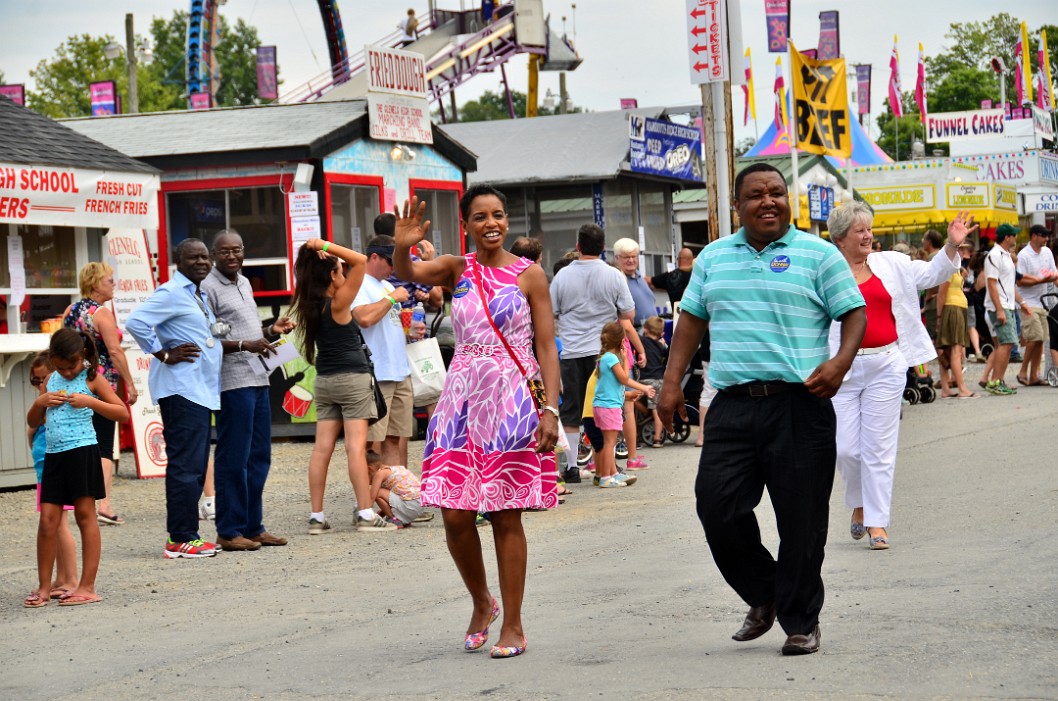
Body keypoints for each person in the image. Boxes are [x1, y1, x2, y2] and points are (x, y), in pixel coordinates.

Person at [657, 162, 867, 656]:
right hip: (731, 405)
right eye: (756, 195)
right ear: (737, 205)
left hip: (801, 404)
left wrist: (839, 363)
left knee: (801, 520)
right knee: (717, 506)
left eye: (776, 192)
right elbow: (690, 321)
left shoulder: (818, 255)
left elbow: (854, 312)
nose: (768, 201)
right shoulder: (712, 258)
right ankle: (765, 592)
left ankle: (800, 621)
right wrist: (670, 385)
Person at [392, 184, 560, 659]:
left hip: (512, 400)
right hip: (460, 400)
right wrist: (403, 244)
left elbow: (547, 346)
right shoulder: (457, 267)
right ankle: (481, 601)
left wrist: (550, 409)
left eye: (499, 215)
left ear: (507, 222)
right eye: (481, 216)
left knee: (506, 514)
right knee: (455, 515)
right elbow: (409, 272)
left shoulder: (530, 275)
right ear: (466, 224)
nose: (492, 223)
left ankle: (515, 624)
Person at [827, 202, 967, 552]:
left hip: (885, 366)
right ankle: (858, 501)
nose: (868, 235)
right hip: (840, 370)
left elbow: (934, 273)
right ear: (841, 238)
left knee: (878, 449)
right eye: (860, 230)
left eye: (869, 229)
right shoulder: (824, 272)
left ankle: (877, 521)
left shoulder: (891, 263)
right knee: (846, 449)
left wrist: (951, 245)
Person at [289, 237, 397, 533]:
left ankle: (317, 516)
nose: (343, 274)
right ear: (333, 276)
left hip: (324, 380)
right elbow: (361, 261)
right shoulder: (338, 303)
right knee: (354, 448)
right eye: (339, 270)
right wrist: (325, 245)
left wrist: (319, 253)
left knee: (321, 449)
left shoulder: (309, 306)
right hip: (352, 378)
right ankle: (365, 513)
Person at [125, 238, 224, 559]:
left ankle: (185, 535)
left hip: (199, 388)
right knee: (186, 465)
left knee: (195, 464)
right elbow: (135, 322)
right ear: (177, 261)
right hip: (181, 389)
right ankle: (181, 537)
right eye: (193, 257)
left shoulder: (199, 294)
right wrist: (163, 353)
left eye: (205, 257)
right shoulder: (170, 292)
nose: (201, 262)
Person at [202, 230, 295, 551]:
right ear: (214, 255)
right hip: (231, 382)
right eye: (225, 251)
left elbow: (248, 330)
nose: (232, 256)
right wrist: (245, 344)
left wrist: (271, 330)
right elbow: (208, 339)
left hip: (258, 378)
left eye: (237, 250)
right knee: (233, 457)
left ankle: (253, 526)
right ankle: (229, 530)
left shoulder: (243, 282)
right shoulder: (207, 288)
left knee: (259, 456)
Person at [25, 328, 128, 607]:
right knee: (48, 520)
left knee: (85, 515)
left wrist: (90, 402)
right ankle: (45, 587)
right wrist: (40, 401)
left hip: (83, 452)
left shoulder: (92, 378)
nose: (67, 373)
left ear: (82, 356)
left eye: (71, 366)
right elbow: (34, 420)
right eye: (61, 367)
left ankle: (87, 586)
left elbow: (121, 412)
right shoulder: (50, 379)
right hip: (55, 456)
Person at [551, 224, 644, 484]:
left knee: (571, 410)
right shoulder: (614, 275)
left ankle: (571, 468)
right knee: (605, 406)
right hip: (603, 353)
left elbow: (552, 313)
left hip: (571, 351)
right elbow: (629, 314)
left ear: (578, 246)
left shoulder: (562, 277)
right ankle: (607, 466)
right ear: (603, 247)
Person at [63, 262, 137, 526]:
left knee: (82, 440)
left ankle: (80, 500)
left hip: (75, 383)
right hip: (101, 381)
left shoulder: (70, 311)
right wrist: (130, 382)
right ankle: (104, 504)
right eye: (109, 280)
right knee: (104, 443)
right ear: (95, 284)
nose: (113, 283)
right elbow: (115, 352)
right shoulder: (102, 313)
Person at [353, 231, 418, 468]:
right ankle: (370, 496)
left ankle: (393, 499)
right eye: (391, 261)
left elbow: (390, 326)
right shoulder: (359, 283)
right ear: (374, 257)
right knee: (372, 441)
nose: (394, 267)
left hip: (400, 371)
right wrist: (391, 299)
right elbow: (363, 318)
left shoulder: (387, 284)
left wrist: (411, 330)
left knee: (394, 438)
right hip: (377, 373)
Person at [26, 351, 78, 601]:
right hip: (43, 468)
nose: (40, 385)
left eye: (43, 378)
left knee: (59, 525)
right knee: (54, 526)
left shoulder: (57, 401)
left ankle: (70, 579)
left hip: (53, 466)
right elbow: (32, 428)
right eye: (35, 381)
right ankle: (60, 577)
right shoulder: (43, 403)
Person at [593, 321, 654, 488]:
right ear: (622, 342)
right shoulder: (612, 358)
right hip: (608, 407)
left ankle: (612, 473)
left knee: (609, 441)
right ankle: (606, 477)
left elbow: (613, 385)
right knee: (609, 443)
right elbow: (624, 379)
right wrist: (626, 359)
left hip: (602, 405)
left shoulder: (603, 358)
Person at [982, 224, 1032, 396]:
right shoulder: (994, 255)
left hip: (1007, 304)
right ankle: (995, 382)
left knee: (1005, 343)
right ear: (1006, 237)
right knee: (1008, 342)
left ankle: (998, 380)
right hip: (1000, 306)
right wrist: (1000, 309)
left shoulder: (1006, 256)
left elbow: (1009, 285)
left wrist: (1022, 302)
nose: (1016, 238)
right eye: (1014, 235)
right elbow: (991, 283)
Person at [1015, 224, 1057, 386]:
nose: (1046, 239)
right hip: (1027, 302)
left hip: (1043, 301)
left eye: (1047, 236)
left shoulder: (1047, 252)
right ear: (1034, 236)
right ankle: (1023, 371)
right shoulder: (1024, 255)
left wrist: (1050, 279)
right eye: (1043, 235)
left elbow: (1054, 275)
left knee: (1042, 339)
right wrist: (1040, 280)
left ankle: (1034, 375)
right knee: (1034, 337)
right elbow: (1020, 280)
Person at [936, 243, 978, 399]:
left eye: (964, 249)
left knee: (949, 349)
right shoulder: (949, 268)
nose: (963, 252)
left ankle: (946, 388)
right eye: (960, 249)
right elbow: (941, 294)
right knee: (955, 349)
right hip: (952, 308)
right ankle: (961, 388)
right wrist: (940, 317)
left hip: (956, 307)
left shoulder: (955, 268)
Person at [367, 451, 424, 527]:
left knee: (377, 492)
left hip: (410, 504)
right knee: (385, 494)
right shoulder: (392, 470)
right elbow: (388, 502)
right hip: (419, 505)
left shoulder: (379, 474)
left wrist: (366, 516)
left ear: (369, 469)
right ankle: (402, 519)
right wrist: (379, 515)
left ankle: (395, 520)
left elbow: (372, 497)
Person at [639, 316, 668, 448]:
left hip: (644, 380)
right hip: (659, 379)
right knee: (657, 409)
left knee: (630, 398)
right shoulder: (662, 346)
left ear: (645, 329)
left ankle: (645, 412)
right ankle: (657, 439)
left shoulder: (641, 341)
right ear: (662, 333)